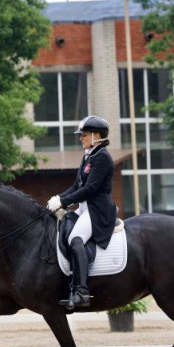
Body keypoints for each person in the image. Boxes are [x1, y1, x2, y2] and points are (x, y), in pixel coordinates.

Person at [46, 115, 117, 308]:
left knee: (75, 239)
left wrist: (64, 201)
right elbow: (77, 185)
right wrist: (59, 199)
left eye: (84, 135)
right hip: (85, 207)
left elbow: (90, 189)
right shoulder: (89, 155)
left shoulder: (102, 156)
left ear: (96, 136)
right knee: (63, 230)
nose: (81, 138)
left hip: (98, 210)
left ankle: (82, 291)